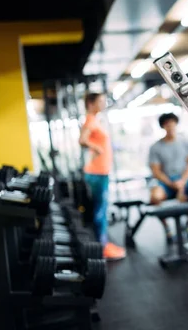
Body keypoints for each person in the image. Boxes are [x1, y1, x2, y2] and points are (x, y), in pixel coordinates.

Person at [79, 92, 126, 261]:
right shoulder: (91, 120)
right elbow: (82, 140)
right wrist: (97, 148)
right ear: (91, 104)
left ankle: (103, 244)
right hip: (97, 173)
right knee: (100, 211)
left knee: (101, 209)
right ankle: (102, 247)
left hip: (100, 172)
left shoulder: (95, 120)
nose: (103, 103)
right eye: (100, 101)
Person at [148, 112, 188, 241]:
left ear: (176, 124)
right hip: (167, 181)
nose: (170, 126)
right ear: (163, 126)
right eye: (167, 124)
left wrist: (182, 182)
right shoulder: (155, 147)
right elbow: (156, 171)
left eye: (172, 123)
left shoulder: (185, 142)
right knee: (155, 197)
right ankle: (167, 229)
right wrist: (172, 184)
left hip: (185, 179)